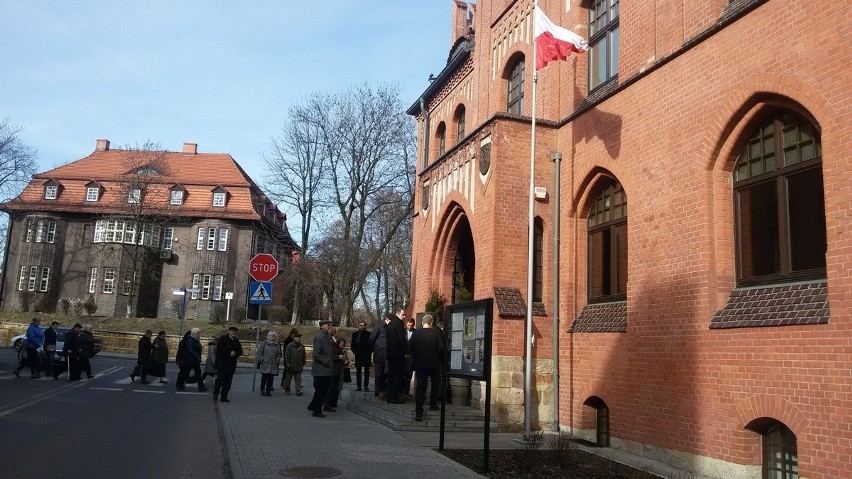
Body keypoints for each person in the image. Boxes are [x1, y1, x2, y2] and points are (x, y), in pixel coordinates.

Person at [409, 314, 445, 421]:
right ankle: (433, 404)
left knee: (420, 387)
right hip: (433, 364)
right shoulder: (436, 333)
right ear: (432, 322)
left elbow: (411, 347)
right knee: (435, 384)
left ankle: (418, 412)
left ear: (422, 322)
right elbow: (441, 349)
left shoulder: (416, 334)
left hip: (420, 364)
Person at [308, 319, 334, 417]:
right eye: (328, 325)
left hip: (324, 370)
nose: (329, 327)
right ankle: (316, 410)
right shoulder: (320, 337)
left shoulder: (325, 336)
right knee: (320, 391)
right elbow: (316, 354)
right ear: (322, 326)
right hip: (321, 370)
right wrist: (327, 361)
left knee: (322, 391)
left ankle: (313, 406)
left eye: (329, 325)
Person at [384, 309, 409, 404]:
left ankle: (389, 395)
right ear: (397, 314)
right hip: (398, 354)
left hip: (390, 354)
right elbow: (402, 339)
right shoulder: (398, 324)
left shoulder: (389, 324)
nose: (404, 316)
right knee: (398, 376)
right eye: (403, 314)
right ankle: (393, 396)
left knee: (391, 375)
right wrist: (407, 351)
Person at [213, 326, 243, 402]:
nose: (234, 332)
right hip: (222, 363)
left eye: (235, 331)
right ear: (229, 331)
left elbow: (240, 351)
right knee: (219, 380)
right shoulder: (223, 339)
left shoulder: (236, 341)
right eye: (232, 331)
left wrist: (235, 353)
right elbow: (219, 350)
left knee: (228, 382)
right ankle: (216, 393)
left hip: (231, 365)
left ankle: (224, 397)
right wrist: (228, 353)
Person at [177, 328, 207, 392]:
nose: (199, 334)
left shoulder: (195, 339)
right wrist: (197, 356)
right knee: (185, 373)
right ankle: (180, 386)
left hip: (195, 360)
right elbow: (190, 350)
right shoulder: (190, 340)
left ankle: (201, 387)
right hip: (189, 360)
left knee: (198, 374)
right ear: (193, 334)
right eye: (198, 333)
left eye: (199, 333)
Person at [323, 328, 344, 412]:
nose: (339, 334)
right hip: (332, 368)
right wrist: (338, 357)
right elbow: (330, 355)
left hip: (335, 369)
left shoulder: (334, 342)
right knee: (330, 387)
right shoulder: (331, 342)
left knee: (333, 387)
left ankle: (329, 403)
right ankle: (327, 404)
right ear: (334, 333)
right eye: (338, 332)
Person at [369, 315, 389, 399]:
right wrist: (374, 349)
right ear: (386, 319)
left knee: (386, 373)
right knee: (379, 374)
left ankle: (383, 390)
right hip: (379, 353)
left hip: (387, 354)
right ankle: (378, 390)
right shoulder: (378, 326)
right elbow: (371, 339)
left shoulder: (389, 327)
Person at [257, 331, 282, 396]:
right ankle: (262, 389)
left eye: (273, 336)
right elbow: (259, 353)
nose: (272, 337)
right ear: (267, 337)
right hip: (265, 364)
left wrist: (277, 360)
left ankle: (268, 391)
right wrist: (262, 360)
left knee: (270, 379)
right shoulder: (264, 343)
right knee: (264, 378)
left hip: (273, 364)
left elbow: (279, 354)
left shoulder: (277, 344)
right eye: (270, 336)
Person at [351, 320, 372, 392]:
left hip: (366, 355)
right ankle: (359, 386)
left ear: (365, 326)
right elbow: (352, 345)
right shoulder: (355, 334)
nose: (361, 327)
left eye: (363, 325)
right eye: (360, 325)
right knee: (358, 372)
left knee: (367, 371)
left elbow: (371, 345)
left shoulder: (369, 334)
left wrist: (369, 352)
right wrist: (356, 352)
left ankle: (366, 386)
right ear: (358, 326)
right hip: (358, 355)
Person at [403, 317, 416, 397]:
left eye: (411, 326)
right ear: (406, 324)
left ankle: (406, 392)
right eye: (408, 325)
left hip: (411, 357)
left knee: (409, 375)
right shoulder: (402, 332)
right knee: (402, 375)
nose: (410, 327)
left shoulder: (416, 332)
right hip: (403, 356)